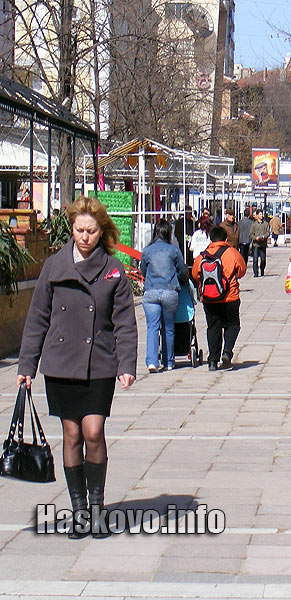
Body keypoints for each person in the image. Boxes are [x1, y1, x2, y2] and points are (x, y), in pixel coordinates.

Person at [17, 195, 137, 539]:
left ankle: (98, 509)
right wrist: (28, 364)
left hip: (99, 362)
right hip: (60, 365)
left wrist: (126, 364)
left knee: (93, 432)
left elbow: (125, 323)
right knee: (71, 435)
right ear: (72, 228)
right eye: (79, 229)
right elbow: (38, 317)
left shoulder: (112, 269)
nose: (84, 237)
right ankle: (79, 511)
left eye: (91, 231)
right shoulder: (55, 267)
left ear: (102, 232)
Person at [191, 226, 246, 371]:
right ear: (225, 239)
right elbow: (242, 270)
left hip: (209, 298)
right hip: (230, 297)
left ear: (211, 239)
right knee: (233, 325)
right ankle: (227, 352)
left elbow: (195, 274)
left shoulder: (202, 255)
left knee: (213, 328)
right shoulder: (232, 253)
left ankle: (212, 361)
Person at [140, 219, 188, 373]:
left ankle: (152, 361)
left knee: (152, 327)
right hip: (169, 291)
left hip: (151, 291)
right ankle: (168, 361)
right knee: (168, 327)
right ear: (169, 233)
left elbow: (143, 270)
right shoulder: (173, 250)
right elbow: (183, 270)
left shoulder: (147, 250)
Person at [249, 209, 270, 277]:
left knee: (263, 259)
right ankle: (255, 272)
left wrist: (264, 236)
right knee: (255, 259)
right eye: (260, 214)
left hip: (263, 244)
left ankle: (262, 269)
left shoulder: (265, 224)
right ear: (257, 215)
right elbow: (251, 234)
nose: (261, 216)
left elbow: (268, 232)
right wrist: (256, 238)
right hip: (256, 244)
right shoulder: (254, 224)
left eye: (262, 214)